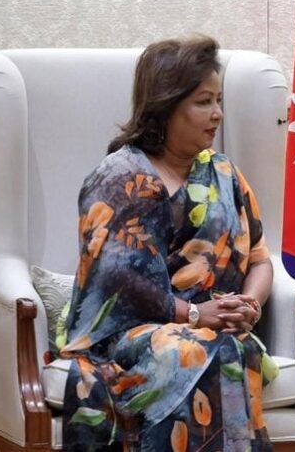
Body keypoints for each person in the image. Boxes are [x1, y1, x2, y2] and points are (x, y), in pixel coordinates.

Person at [59, 34, 276, 451]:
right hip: (129, 334)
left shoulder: (225, 174)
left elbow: (261, 260)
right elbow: (120, 284)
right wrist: (195, 314)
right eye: (203, 102)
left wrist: (248, 305)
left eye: (218, 100)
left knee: (231, 346)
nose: (218, 114)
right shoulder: (119, 178)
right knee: (196, 352)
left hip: (217, 326)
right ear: (165, 106)